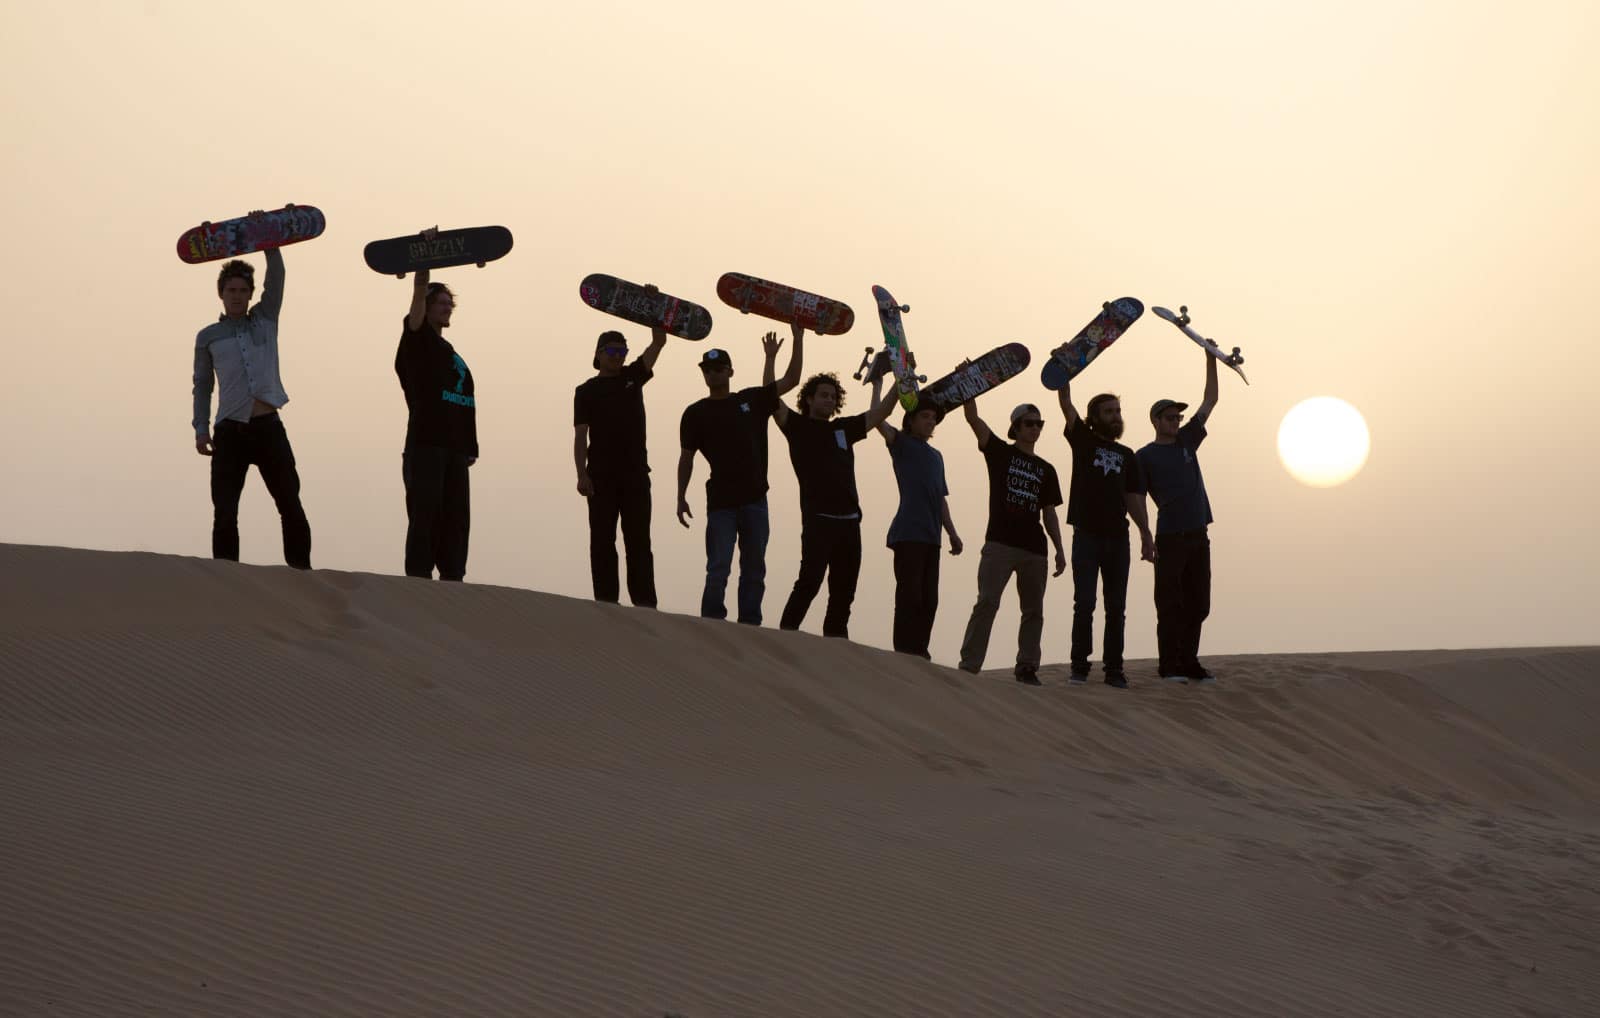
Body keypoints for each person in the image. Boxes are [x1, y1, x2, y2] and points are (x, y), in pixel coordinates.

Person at [191, 212, 312, 570]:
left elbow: (277, 278)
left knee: (289, 502)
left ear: (250, 294)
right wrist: (200, 428)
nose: (238, 296)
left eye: (243, 291)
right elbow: (202, 386)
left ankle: (302, 574)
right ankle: (227, 578)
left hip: (268, 427)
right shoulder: (208, 336)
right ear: (222, 293)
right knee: (225, 510)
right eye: (232, 291)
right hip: (229, 430)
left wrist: (268, 238)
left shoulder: (265, 319)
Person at [675, 324, 805, 624]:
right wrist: (680, 496)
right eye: (708, 370)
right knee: (718, 566)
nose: (713, 374)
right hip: (721, 501)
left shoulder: (749, 400)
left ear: (730, 372)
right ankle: (711, 623)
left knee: (754, 568)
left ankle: (749, 626)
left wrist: (798, 339)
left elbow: (791, 380)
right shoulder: (695, 413)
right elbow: (686, 458)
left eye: (719, 369)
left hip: (754, 499)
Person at [774, 371, 901, 638]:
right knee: (809, 582)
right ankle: (784, 638)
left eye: (833, 397)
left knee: (844, 592)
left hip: (849, 522)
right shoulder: (796, 426)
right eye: (823, 395)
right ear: (809, 399)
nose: (829, 400)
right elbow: (770, 398)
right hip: (818, 519)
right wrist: (772, 359)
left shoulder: (843, 428)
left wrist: (901, 378)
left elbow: (881, 412)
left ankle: (836, 643)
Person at [957, 399, 1066, 685]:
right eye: (1029, 424)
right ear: (1015, 428)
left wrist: (1059, 549)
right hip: (1000, 543)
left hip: (1034, 548)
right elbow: (973, 420)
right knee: (987, 602)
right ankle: (969, 665)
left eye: (1039, 424)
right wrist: (971, 390)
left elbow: (1049, 513)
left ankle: (1027, 666)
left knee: (1033, 611)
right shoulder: (1000, 453)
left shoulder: (1046, 469)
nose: (1035, 429)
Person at [1056, 378, 1154, 688]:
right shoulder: (1083, 440)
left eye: (1118, 410)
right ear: (1094, 416)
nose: (1115, 416)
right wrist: (1065, 372)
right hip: (1086, 535)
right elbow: (1066, 406)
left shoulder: (1127, 455)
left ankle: (1114, 669)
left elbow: (1134, 498)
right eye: (1109, 411)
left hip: (1118, 539)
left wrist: (1145, 534)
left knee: (1116, 607)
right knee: (1084, 604)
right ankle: (1079, 667)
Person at [395, 232, 477, 580]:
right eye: (440, 303)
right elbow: (416, 301)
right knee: (425, 516)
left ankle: (453, 582)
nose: (446, 308)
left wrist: (470, 447)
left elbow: (466, 404)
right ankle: (417, 583)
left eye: (449, 304)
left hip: (456, 450)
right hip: (426, 446)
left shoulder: (451, 352)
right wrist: (423, 269)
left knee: (456, 521)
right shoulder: (418, 340)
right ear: (426, 308)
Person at [574, 306, 668, 608]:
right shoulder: (585, 390)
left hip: (636, 474)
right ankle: (605, 603)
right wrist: (581, 474)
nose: (618, 355)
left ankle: (645, 605)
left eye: (622, 350)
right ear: (598, 354)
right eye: (612, 350)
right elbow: (580, 435)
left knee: (639, 542)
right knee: (602, 541)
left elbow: (658, 343)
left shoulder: (633, 377)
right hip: (600, 475)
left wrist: (652, 304)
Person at [1136, 352, 1221, 684]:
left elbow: (1210, 399)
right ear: (1156, 421)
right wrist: (1144, 535)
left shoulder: (1188, 441)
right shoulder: (1144, 456)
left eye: (1177, 417)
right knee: (1169, 603)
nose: (1175, 422)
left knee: (1199, 603)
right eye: (1169, 417)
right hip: (1170, 536)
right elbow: (1138, 498)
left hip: (1198, 533)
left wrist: (1210, 357)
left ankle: (1189, 661)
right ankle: (1169, 664)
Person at [869, 375, 962, 658]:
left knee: (929, 600)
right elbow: (877, 421)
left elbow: (940, 498)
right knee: (910, 596)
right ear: (911, 420)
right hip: (908, 532)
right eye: (925, 416)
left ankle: (920, 651)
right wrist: (877, 386)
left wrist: (952, 532)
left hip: (932, 537)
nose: (930, 422)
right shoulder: (902, 444)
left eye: (933, 418)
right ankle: (904, 651)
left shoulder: (937, 456)